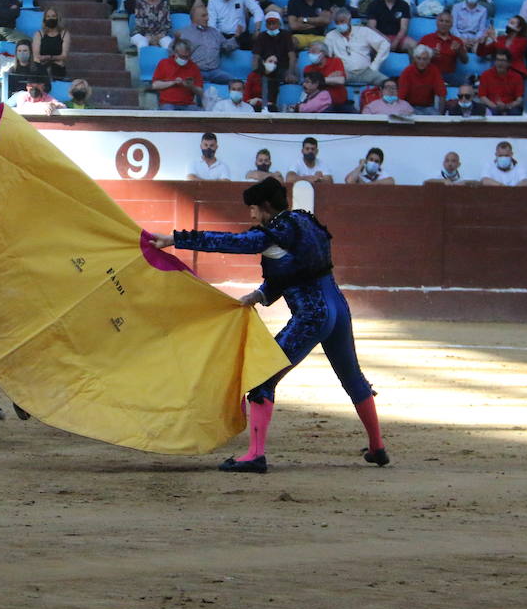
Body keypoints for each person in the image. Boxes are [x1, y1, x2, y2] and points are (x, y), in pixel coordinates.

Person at [148, 178, 388, 473]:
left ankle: (255, 455)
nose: (250, 216)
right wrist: (260, 294)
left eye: (252, 209)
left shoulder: (276, 230)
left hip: (312, 316)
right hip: (338, 308)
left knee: (262, 378)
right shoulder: (304, 221)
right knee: (353, 379)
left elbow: (235, 243)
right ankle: (377, 447)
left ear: (265, 207)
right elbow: (299, 269)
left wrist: (175, 239)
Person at [324, 10, 388, 86]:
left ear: (349, 20)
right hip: (344, 73)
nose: (339, 24)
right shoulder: (330, 36)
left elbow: (385, 44)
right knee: (327, 82)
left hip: (366, 71)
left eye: (342, 21)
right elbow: (327, 56)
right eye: (337, 23)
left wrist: (375, 65)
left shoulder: (363, 31)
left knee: (388, 84)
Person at [477, 48, 524, 115]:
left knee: (515, 113)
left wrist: (507, 106)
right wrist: (495, 106)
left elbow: (519, 99)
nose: (500, 63)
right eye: (498, 60)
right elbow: (482, 96)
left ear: (509, 63)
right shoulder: (486, 75)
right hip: (492, 106)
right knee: (491, 112)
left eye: (503, 60)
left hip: (510, 107)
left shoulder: (517, 77)